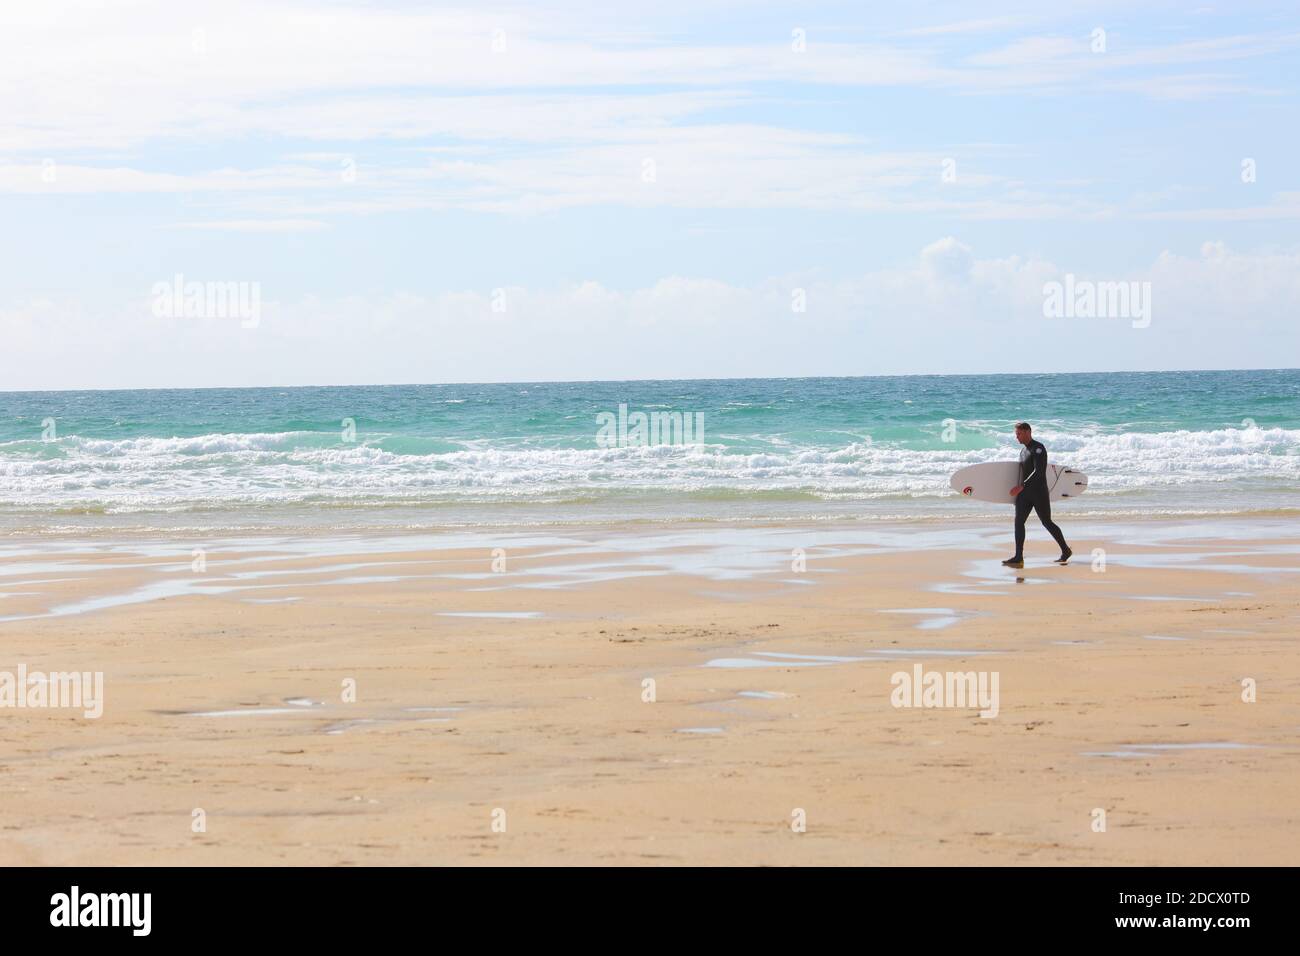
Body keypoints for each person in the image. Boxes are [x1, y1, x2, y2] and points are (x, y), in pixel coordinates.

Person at [1002, 422, 1072, 568]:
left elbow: (1039, 472)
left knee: (1047, 522)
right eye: (1016, 434)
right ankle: (1018, 556)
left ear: (1028, 432)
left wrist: (1021, 486)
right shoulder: (1023, 451)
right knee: (1018, 522)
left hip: (1039, 492)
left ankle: (1065, 550)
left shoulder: (1038, 448)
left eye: (1019, 434)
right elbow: (1022, 473)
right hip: (1024, 494)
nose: (1017, 437)